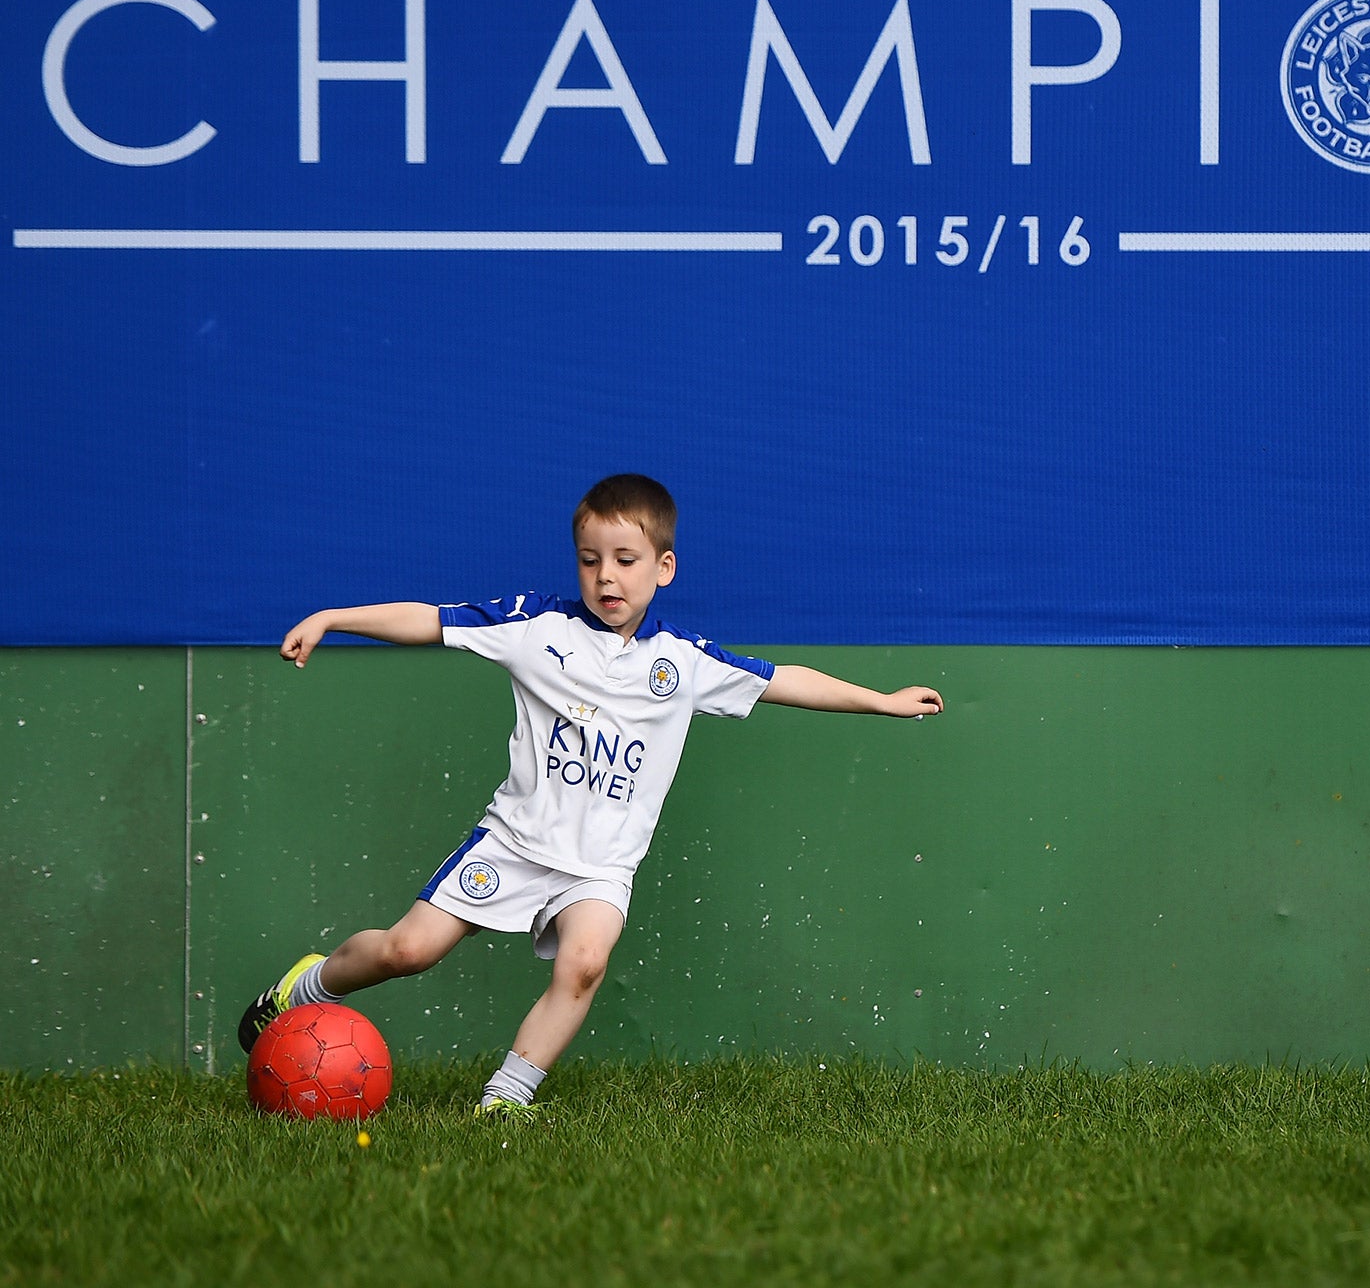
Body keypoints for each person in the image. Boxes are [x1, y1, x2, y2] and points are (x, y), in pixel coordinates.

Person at [236, 473, 943, 1115]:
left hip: (599, 868)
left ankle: (504, 1103)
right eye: (589, 559)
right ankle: (307, 987)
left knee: (586, 962)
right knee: (406, 952)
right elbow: (429, 619)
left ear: (664, 568)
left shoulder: (684, 661)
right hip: (514, 844)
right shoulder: (534, 627)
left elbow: (783, 680)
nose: (606, 577)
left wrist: (880, 700)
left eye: (626, 561)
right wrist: (334, 616)